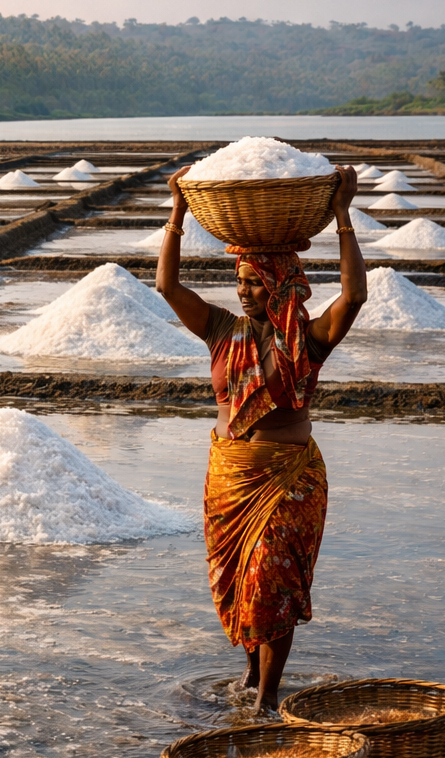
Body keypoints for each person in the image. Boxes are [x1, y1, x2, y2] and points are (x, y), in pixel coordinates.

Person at [156, 164, 367, 711]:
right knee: (240, 582)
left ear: (280, 284)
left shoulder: (311, 339)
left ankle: (268, 700)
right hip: (230, 476)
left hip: (288, 477)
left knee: (271, 583)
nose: (245, 292)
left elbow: (354, 296)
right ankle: (251, 677)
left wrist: (343, 215)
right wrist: (178, 211)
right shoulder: (222, 330)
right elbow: (166, 286)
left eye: (255, 282)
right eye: (241, 282)